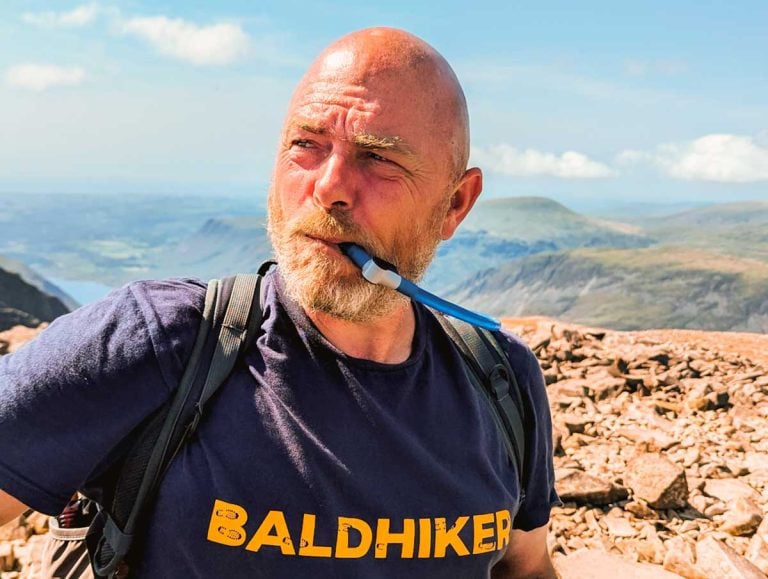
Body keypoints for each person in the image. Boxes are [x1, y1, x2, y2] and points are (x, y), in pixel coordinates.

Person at [0, 27, 559, 578]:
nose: (328, 186)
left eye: (378, 158)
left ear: (455, 205)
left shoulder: (501, 379)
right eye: (306, 145)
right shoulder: (155, 341)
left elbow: (527, 567)